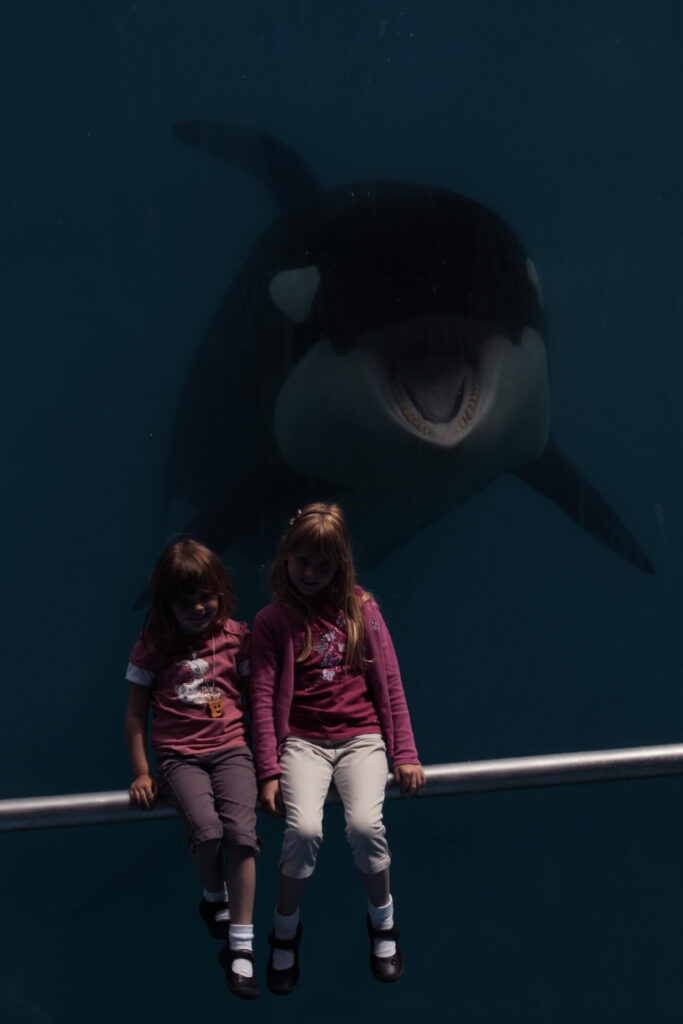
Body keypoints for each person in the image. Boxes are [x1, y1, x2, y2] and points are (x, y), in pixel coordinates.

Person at [251, 502, 425, 995]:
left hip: (362, 739)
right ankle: (285, 931)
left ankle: (383, 922)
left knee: (366, 826)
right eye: (303, 561)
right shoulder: (272, 621)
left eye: (323, 565)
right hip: (302, 744)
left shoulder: (361, 609)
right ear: (286, 556)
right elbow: (262, 700)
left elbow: (389, 683)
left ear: (340, 565)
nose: (311, 573)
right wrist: (268, 770)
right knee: (303, 830)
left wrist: (405, 754)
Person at [124, 539, 259, 1000]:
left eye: (207, 597)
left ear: (221, 592)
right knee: (207, 831)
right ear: (167, 605)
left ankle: (241, 950)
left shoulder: (236, 636)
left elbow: (257, 700)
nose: (199, 608)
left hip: (233, 751)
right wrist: (143, 772)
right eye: (185, 602)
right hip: (179, 757)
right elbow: (135, 716)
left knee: (242, 835)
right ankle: (213, 897)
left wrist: (271, 764)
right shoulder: (153, 645)